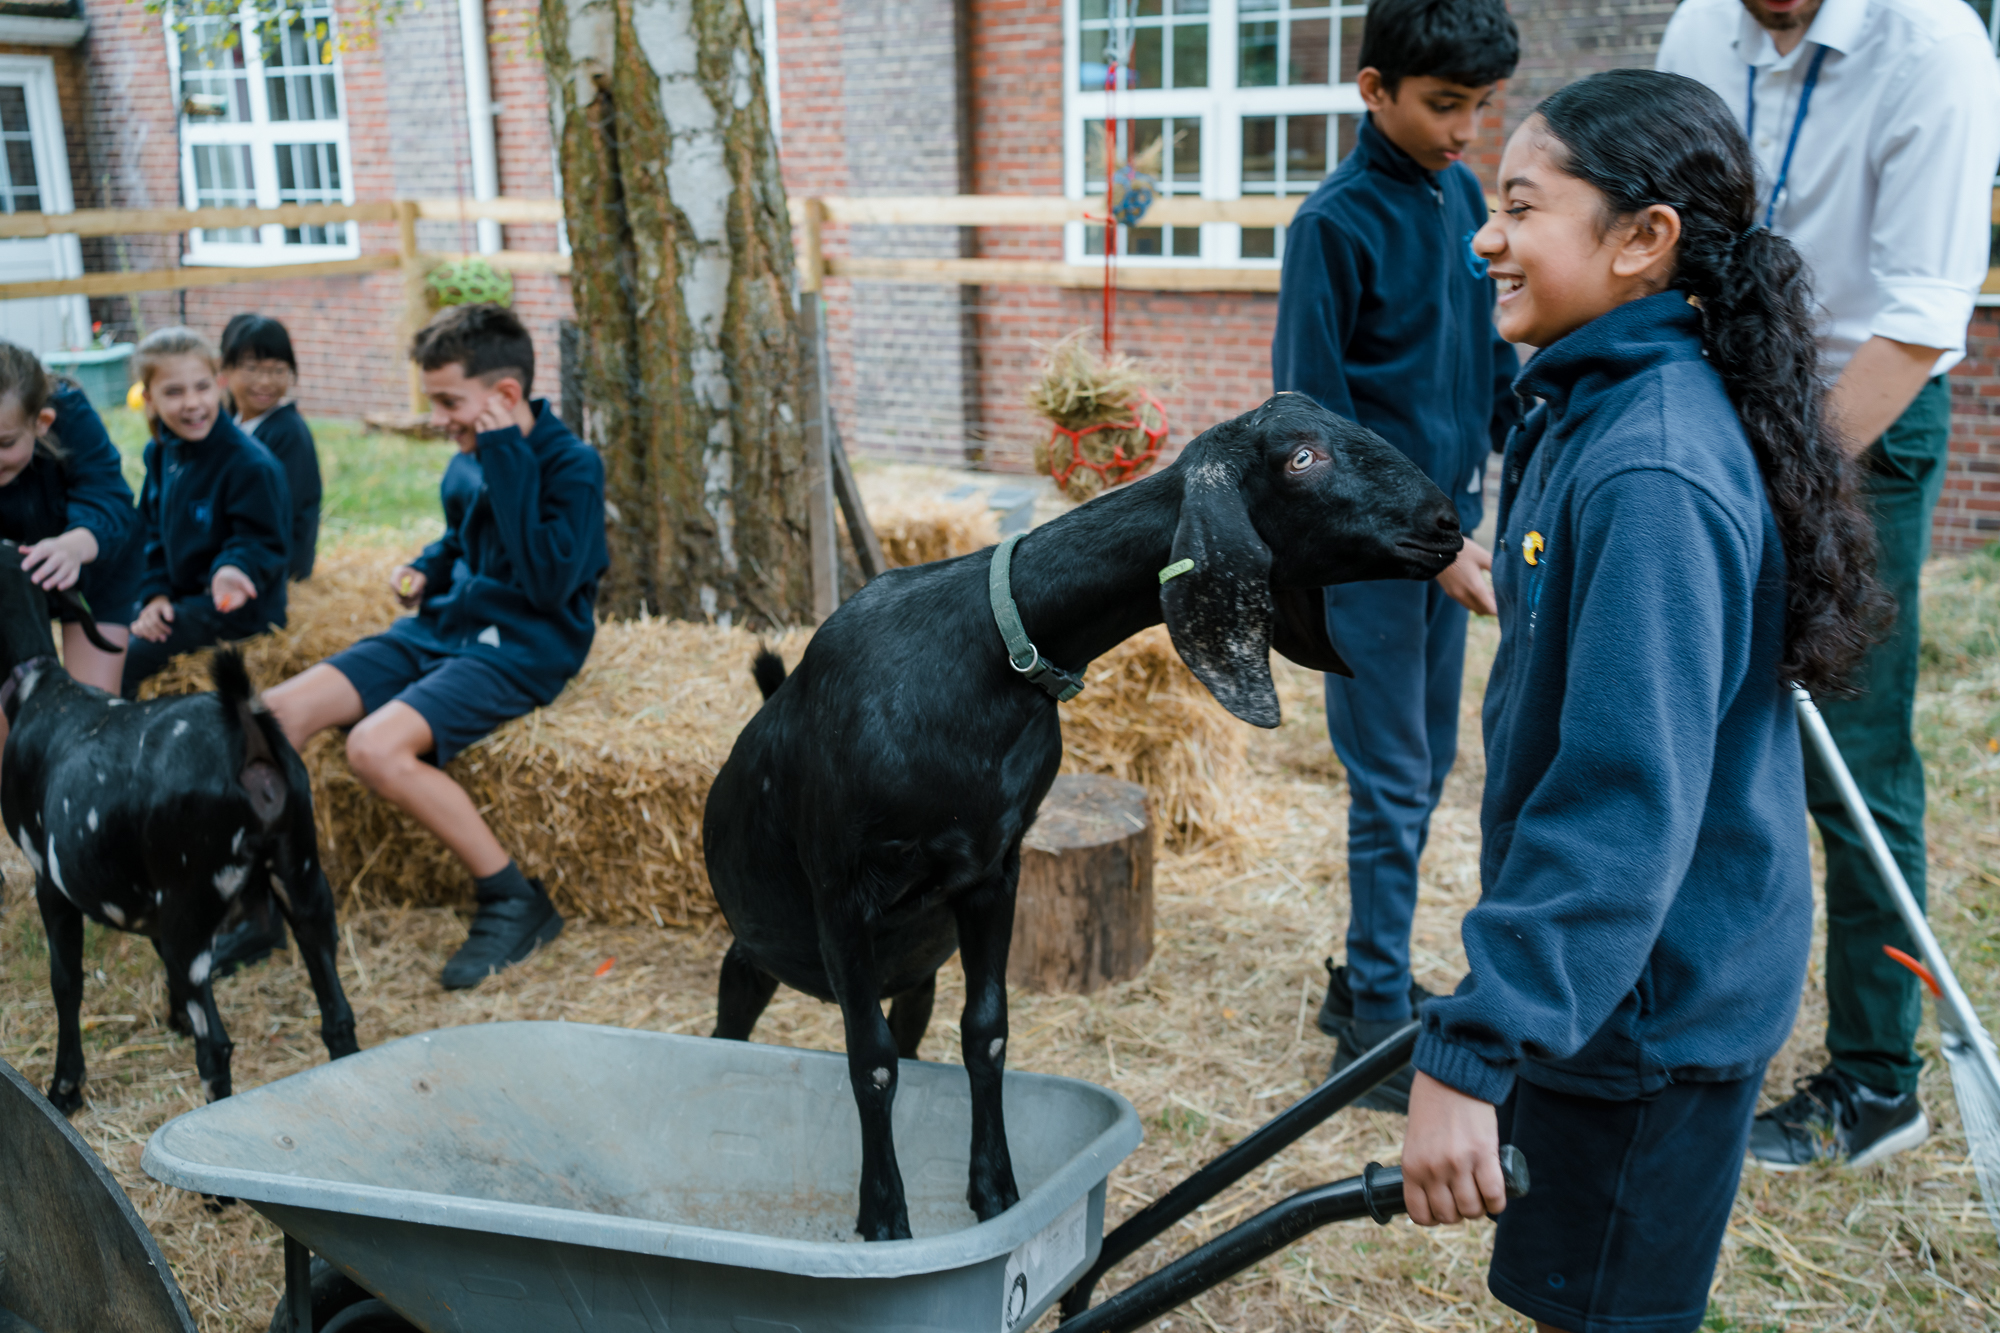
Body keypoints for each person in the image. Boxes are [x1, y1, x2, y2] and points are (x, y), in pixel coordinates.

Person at [1399, 70, 1889, 1333]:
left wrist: (1473, 1042)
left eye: (1520, 206)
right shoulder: (1593, 406)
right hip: (1615, 989)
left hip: (1647, 1014)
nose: (1483, 238)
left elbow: (1620, 802)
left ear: (1640, 239)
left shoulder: (1650, 467)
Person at [1657, 0, 2000, 1174]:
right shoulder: (1697, 31)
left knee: (1849, 749)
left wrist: (1777, 495)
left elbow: (1914, 323)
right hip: (1718, 403)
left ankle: (1873, 1077)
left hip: (1865, 409)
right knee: (1691, 726)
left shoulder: (1933, 48)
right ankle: (1681, 1025)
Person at [1270, 0, 1522, 1111]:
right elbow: (1306, 432)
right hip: (1371, 557)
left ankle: (1366, 976)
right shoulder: (1331, 225)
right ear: (1372, 90)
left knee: (1423, 770)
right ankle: (1373, 1016)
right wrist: (1431, 546)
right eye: (1443, 104)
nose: (1466, 130)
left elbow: (1488, 361)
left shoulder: (1458, 196)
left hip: (1446, 536)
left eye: (1480, 105)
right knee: (1389, 780)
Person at [235, 304, 607, 991]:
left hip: (521, 647)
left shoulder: (571, 466)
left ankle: (514, 899)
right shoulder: (468, 457)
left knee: (373, 749)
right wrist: (426, 567)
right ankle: (259, 900)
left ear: (504, 394)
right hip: (439, 628)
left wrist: (506, 456)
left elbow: (549, 583)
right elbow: (462, 538)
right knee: (266, 718)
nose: (437, 418)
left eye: (447, 401)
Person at [121, 327, 292, 700]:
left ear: (219, 384)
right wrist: (154, 595)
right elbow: (150, 532)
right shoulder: (160, 453)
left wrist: (234, 568)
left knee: (129, 656)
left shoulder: (250, 465)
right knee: (109, 626)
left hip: (233, 606)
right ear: (149, 399)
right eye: (173, 392)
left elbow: (262, 542)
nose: (192, 403)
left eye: (202, 387)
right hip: (180, 595)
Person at [0, 343, 139, 696]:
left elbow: (108, 497)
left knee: (89, 706)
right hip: (8, 582)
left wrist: (75, 546)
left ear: (42, 422)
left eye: (5, 443)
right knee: (12, 709)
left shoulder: (72, 416)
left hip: (93, 565)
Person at [221, 314, 322, 581]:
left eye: (278, 370)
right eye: (252, 369)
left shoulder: (288, 433)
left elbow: (277, 514)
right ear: (226, 369)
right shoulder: (230, 422)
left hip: (274, 561)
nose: (265, 382)